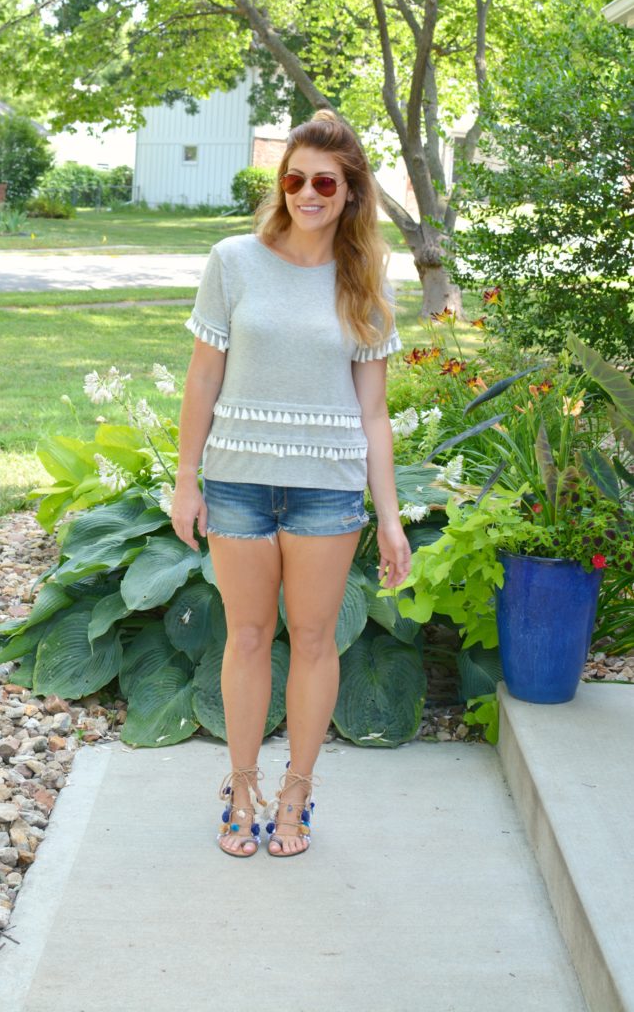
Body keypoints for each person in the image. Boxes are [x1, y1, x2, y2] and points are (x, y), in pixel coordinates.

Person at [170, 109, 411, 859]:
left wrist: (391, 517)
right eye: (295, 178)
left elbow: (373, 414)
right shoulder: (233, 261)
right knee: (245, 637)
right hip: (238, 479)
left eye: (324, 182)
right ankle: (241, 785)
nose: (307, 192)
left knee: (311, 640)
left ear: (349, 192)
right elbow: (202, 379)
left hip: (326, 488)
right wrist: (186, 480)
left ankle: (297, 791)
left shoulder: (364, 282)